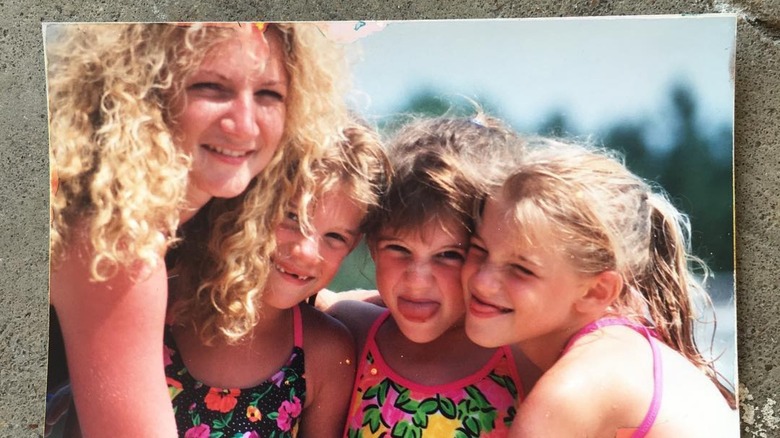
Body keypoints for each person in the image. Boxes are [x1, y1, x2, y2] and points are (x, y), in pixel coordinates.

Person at [46, 22, 349, 437]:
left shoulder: (158, 228)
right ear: (143, 89)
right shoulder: (117, 245)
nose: (244, 124)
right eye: (212, 88)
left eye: (268, 95)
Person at [461, 139, 737, 437]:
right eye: (478, 249)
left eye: (521, 269)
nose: (482, 281)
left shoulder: (575, 389)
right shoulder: (620, 346)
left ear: (596, 292)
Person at [163, 120, 391, 437]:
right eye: (291, 216)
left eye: (335, 237)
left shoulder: (324, 351)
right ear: (250, 200)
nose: (307, 251)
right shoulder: (158, 308)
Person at [329, 115, 533, 438]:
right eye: (399, 249)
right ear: (372, 245)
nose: (418, 280)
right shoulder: (351, 330)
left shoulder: (525, 359)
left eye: (448, 255)